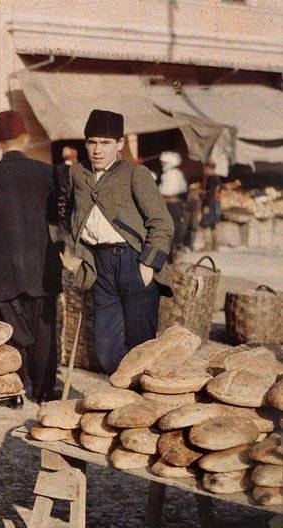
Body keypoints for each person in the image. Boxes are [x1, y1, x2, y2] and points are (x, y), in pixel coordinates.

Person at [0, 111, 62, 404]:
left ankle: (12, 390)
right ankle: (43, 392)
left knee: (5, 331)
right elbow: (57, 216)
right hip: (40, 265)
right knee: (43, 332)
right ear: (26, 138)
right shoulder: (47, 173)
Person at [68, 109, 174, 375]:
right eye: (92, 142)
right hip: (100, 265)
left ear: (120, 144)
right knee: (105, 350)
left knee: (141, 349)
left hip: (133, 262)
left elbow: (162, 223)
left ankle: (140, 409)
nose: (98, 150)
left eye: (105, 143)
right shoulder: (76, 174)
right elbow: (66, 213)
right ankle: (120, 402)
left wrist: (147, 266)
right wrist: (74, 252)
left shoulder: (135, 174)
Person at [158, 151, 189, 262]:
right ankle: (170, 254)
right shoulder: (175, 173)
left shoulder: (171, 174)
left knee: (170, 229)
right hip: (173, 204)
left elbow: (167, 191)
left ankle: (170, 255)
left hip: (171, 205)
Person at [199, 160, 222, 251]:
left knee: (205, 225)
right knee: (213, 224)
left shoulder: (211, 179)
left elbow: (210, 193)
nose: (204, 170)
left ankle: (207, 246)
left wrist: (206, 205)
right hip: (215, 203)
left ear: (209, 168)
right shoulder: (217, 178)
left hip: (210, 203)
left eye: (205, 168)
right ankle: (215, 246)